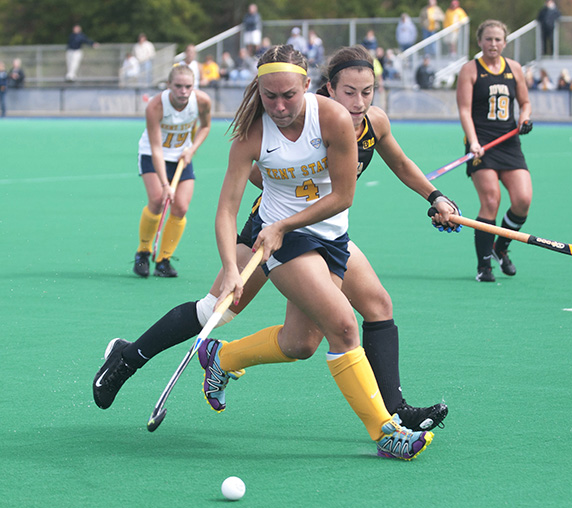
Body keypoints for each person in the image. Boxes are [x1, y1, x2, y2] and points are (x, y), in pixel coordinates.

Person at [94, 44, 453, 460]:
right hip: (280, 236)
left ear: (306, 87)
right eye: (270, 96)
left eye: (289, 96)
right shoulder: (253, 132)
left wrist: (435, 196)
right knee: (334, 324)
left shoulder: (336, 119)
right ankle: (387, 429)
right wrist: (233, 262)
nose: (280, 106)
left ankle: (219, 357)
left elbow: (344, 195)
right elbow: (227, 205)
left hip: (325, 234)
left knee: (308, 339)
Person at [456, 20, 533, 282]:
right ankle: (484, 266)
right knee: (491, 200)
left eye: (498, 40)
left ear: (505, 42)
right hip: (482, 144)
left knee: (523, 200)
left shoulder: (514, 69)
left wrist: (524, 119)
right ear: (480, 42)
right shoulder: (470, 70)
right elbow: (465, 110)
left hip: (509, 142)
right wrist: (473, 142)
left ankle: (500, 247)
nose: (493, 44)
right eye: (488, 39)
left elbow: (525, 102)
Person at [132, 64, 212, 278]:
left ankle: (163, 260)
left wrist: (192, 150)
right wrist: (166, 185)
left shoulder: (202, 101)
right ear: (168, 85)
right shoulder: (156, 106)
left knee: (181, 207)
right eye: (178, 86)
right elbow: (156, 148)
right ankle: (143, 252)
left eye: (188, 86)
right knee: (158, 200)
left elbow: (205, 127)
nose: (183, 91)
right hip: (152, 155)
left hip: (181, 157)